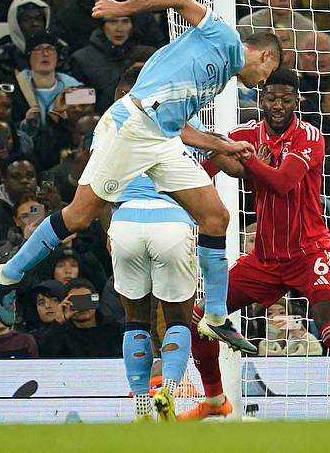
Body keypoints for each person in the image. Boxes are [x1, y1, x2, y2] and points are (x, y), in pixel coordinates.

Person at [0, 0, 280, 357]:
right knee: (78, 217)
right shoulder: (223, 36)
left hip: (161, 139)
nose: (262, 82)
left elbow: (178, 127)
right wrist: (122, 7)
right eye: (268, 73)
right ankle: (9, 275)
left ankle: (216, 316)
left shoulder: (220, 78)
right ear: (265, 55)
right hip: (131, 127)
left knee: (215, 217)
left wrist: (223, 145)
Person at [179, 69, 330, 420]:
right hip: (264, 259)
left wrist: (248, 161)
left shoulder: (309, 136)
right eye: (272, 98)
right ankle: (215, 400)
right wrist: (204, 161)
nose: (278, 105)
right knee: (199, 318)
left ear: (297, 101)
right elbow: (205, 169)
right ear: (262, 100)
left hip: (310, 253)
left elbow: (282, 183)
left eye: (286, 99)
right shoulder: (246, 134)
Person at [106, 65, 198, 421]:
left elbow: (96, 188)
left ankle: (141, 403)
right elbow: (214, 162)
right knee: (178, 319)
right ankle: (169, 390)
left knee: (136, 320)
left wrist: (109, 231)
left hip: (125, 220)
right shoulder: (184, 121)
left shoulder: (112, 124)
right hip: (171, 220)